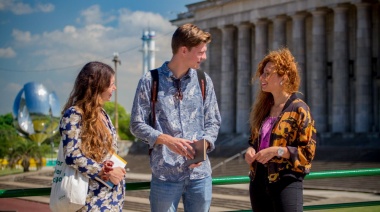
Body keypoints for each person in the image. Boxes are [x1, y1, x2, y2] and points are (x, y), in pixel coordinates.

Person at [130, 23, 221, 212]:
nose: (204, 57)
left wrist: (204, 145)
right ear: (184, 50)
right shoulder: (150, 80)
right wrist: (165, 140)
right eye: (200, 52)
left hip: (200, 176)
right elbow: (136, 123)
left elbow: (213, 121)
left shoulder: (204, 81)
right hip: (165, 176)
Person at [244, 48, 317, 212]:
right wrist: (251, 150)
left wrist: (278, 151)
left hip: (286, 182)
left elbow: (307, 154)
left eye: (268, 73)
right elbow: (254, 141)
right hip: (258, 182)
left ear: (283, 77)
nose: (262, 77)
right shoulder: (264, 109)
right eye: (263, 73)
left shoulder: (300, 109)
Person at [59, 61, 126, 211]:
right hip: (90, 198)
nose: (114, 88)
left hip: (111, 196)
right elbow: (72, 154)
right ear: (98, 85)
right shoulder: (74, 114)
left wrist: (111, 167)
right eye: (111, 84)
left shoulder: (103, 114)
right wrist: (104, 171)